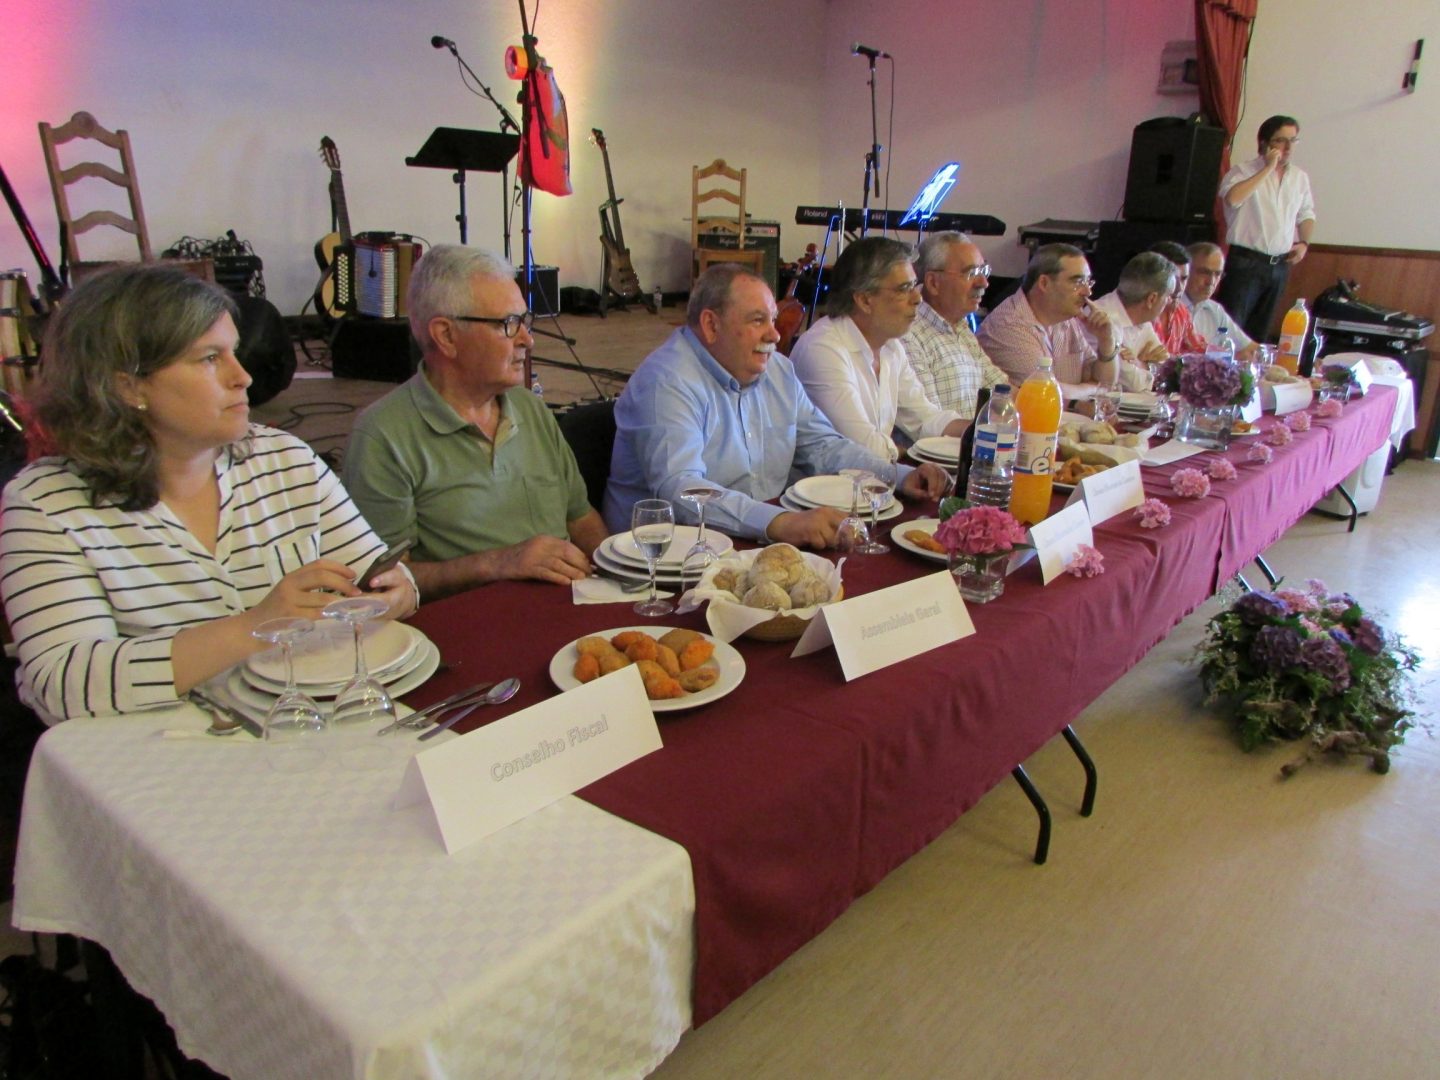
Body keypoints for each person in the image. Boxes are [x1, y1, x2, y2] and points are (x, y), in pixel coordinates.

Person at [0, 266, 416, 724]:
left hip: (304, 722)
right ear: (128, 386)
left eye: (234, 352)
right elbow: (64, 681)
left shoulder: (284, 458)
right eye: (210, 358)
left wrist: (393, 593)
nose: (243, 377)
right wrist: (254, 626)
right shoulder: (47, 504)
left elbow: (380, 576)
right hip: (151, 749)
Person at [603, 264, 949, 548]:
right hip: (660, 561)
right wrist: (780, 523)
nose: (775, 335)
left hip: (751, 540)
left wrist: (896, 476)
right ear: (711, 325)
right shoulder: (667, 382)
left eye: (773, 319)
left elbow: (823, 447)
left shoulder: (778, 371)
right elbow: (684, 491)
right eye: (758, 321)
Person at [343, 246, 607, 596]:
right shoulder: (383, 435)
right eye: (508, 324)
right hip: (467, 621)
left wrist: (624, 580)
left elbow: (580, 518)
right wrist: (499, 563)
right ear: (446, 336)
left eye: (526, 321)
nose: (527, 340)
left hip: (565, 606)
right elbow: (382, 582)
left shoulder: (530, 408)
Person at [790, 237, 966, 461]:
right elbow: (863, 449)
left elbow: (925, 419)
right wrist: (916, 463)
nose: (918, 298)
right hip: (827, 480)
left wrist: (979, 432)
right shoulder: (823, 349)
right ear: (865, 300)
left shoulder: (890, 346)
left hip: (868, 477)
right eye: (904, 289)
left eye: (914, 285)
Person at [1213, 114, 1316, 342]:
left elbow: (1307, 215)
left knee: (1260, 333)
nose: (1288, 147)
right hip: (1246, 263)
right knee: (1232, 331)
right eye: (1281, 140)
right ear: (1264, 143)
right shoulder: (1242, 171)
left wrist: (1304, 243)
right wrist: (1268, 168)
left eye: (1293, 140)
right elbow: (1233, 199)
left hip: (1279, 265)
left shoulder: (1299, 178)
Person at [976, 243, 1125, 395]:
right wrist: (1093, 389)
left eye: (1088, 282)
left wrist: (1106, 342)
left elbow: (1105, 384)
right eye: (1078, 282)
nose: (1087, 292)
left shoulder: (1067, 320)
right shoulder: (1009, 325)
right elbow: (1045, 394)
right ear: (1044, 283)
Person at [901, 231, 1008, 418]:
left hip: (972, 434)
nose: (984, 283)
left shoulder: (959, 325)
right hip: (948, 436)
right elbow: (930, 423)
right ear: (933, 283)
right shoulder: (908, 333)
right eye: (971, 273)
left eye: (983, 271)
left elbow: (1002, 392)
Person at [1084, 252, 1174, 387]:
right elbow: (1133, 384)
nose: (1170, 301)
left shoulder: (1144, 320)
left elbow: (1168, 368)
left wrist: (1141, 364)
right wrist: (1150, 366)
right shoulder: (1101, 317)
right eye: (1168, 296)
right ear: (1152, 299)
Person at [1183, 242, 1259, 361]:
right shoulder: (1168, 307)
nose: (1211, 281)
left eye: (1217, 274)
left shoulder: (1215, 309)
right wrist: (1227, 358)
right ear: (1185, 271)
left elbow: (1252, 350)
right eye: (1204, 272)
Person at [1147, 241, 1209, 355]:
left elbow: (1200, 348)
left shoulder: (1181, 311)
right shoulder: (1139, 312)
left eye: (1184, 279)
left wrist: (1225, 356)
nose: (1179, 287)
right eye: (1173, 279)